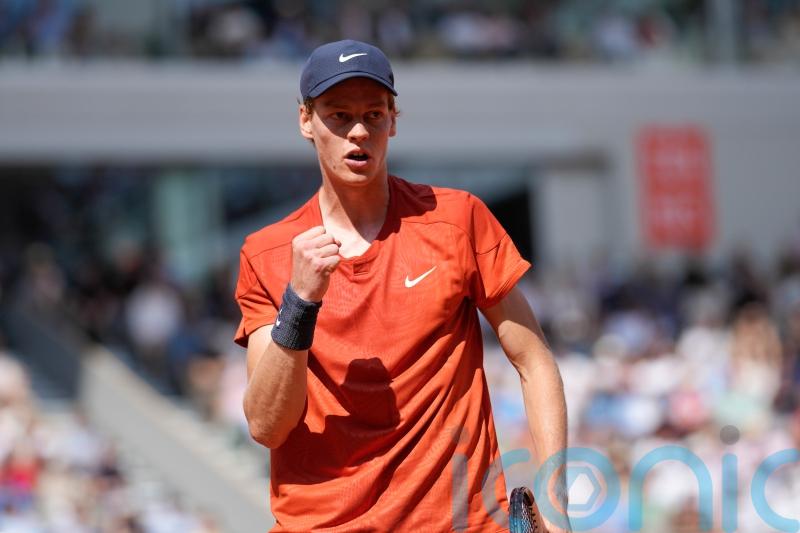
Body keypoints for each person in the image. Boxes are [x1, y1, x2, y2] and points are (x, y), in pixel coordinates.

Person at [234, 39, 569, 532]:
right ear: (306, 120)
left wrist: (555, 506)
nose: (358, 132)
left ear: (394, 119)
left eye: (373, 114)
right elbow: (267, 424)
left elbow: (534, 361)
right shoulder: (267, 253)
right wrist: (300, 301)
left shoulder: (458, 219)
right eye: (338, 115)